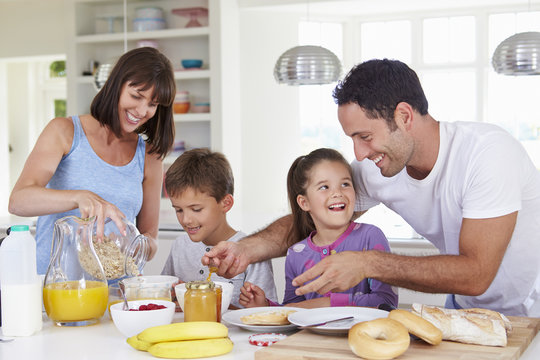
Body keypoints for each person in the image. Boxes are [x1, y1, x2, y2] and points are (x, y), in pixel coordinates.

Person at [204, 59, 540, 317]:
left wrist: (368, 263)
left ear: (404, 116)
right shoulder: (380, 164)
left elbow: (476, 273)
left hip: (529, 309)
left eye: (365, 137)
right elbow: (316, 216)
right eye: (353, 139)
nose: (359, 154)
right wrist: (246, 249)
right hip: (463, 307)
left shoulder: (487, 154)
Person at [8, 47, 176, 274]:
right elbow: (19, 201)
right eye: (136, 96)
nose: (142, 110)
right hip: (59, 292)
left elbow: (151, 239)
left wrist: (134, 246)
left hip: (118, 297)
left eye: (153, 104)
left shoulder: (149, 156)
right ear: (116, 85)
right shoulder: (64, 132)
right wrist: (80, 197)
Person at [239, 148, 398, 309]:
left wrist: (328, 303)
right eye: (324, 187)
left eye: (345, 184)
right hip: (309, 336)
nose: (337, 193)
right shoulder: (296, 254)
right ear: (304, 202)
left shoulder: (371, 237)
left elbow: (386, 302)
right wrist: (266, 306)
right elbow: (293, 310)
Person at [161, 148, 277, 309]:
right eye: (178, 210)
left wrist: (202, 301)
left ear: (225, 203)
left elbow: (266, 315)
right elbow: (164, 299)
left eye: (196, 209)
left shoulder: (251, 252)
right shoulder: (180, 246)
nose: (186, 220)